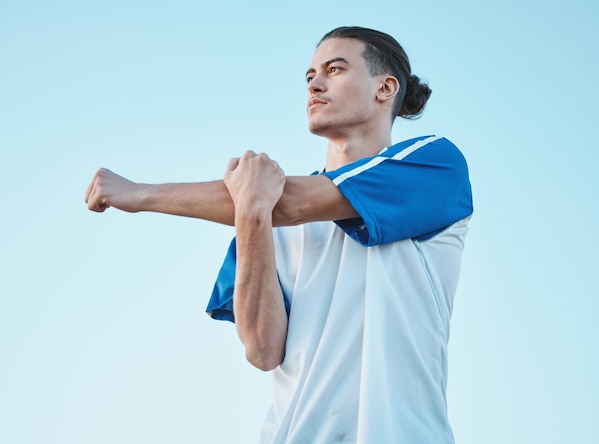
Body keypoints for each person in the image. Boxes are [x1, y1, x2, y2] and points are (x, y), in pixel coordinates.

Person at [85, 26, 473, 443]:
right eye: (309, 76)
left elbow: (295, 203)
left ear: (385, 87)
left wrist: (139, 192)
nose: (316, 84)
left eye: (334, 69)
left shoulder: (433, 164)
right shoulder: (262, 212)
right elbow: (263, 350)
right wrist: (251, 215)